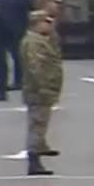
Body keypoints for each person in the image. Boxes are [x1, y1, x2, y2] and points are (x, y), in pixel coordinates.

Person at [20, 11, 63, 175]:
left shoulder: (39, 40)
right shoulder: (33, 42)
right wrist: (43, 87)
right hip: (38, 91)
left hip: (41, 90)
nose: (49, 25)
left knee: (40, 123)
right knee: (37, 125)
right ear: (37, 23)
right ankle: (34, 159)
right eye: (46, 22)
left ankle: (39, 148)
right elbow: (35, 67)